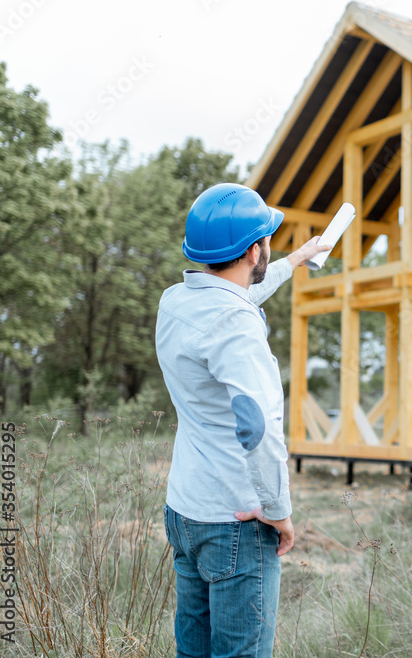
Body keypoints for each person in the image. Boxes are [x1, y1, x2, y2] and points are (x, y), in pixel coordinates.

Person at [155, 183, 331, 658]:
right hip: (236, 519)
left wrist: (295, 259)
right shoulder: (235, 323)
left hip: (186, 509)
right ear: (255, 250)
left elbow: (236, 296)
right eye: (266, 242)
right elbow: (258, 428)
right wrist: (278, 509)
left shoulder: (176, 302)